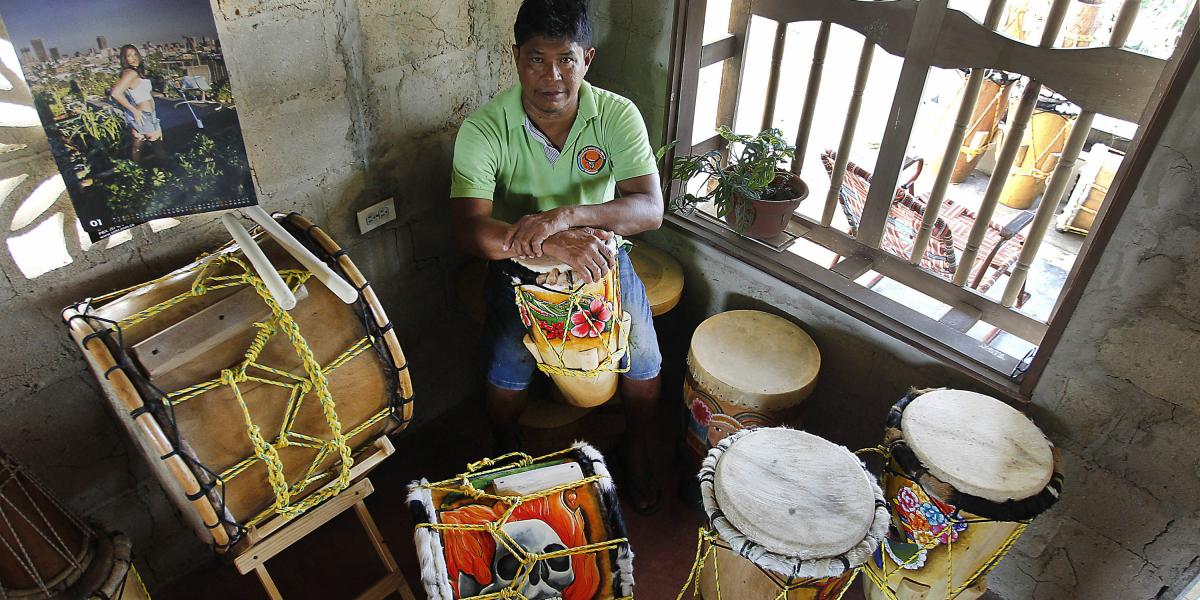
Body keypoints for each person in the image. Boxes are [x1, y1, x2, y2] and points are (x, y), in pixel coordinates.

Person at [450, 0, 665, 513]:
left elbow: (650, 208)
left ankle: (634, 448)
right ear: (516, 57)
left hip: (602, 253)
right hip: (516, 263)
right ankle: (503, 453)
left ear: (587, 59)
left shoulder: (616, 114)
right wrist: (547, 244)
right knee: (508, 362)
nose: (552, 76)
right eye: (536, 59)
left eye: (565, 59)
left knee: (645, 359)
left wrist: (566, 217)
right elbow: (467, 227)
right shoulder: (484, 128)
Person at [110, 45, 163, 163]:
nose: (133, 58)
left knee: (139, 142)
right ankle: (167, 169)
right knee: (156, 142)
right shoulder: (130, 73)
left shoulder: (134, 72)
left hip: (148, 113)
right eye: (129, 56)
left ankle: (136, 168)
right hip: (144, 115)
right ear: (125, 59)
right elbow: (115, 93)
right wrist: (134, 111)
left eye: (135, 54)